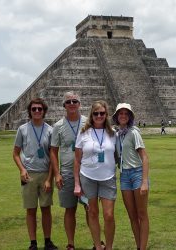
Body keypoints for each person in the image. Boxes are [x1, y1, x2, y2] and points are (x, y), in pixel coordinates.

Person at [50, 92, 103, 250]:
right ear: (64, 106)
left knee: (90, 209)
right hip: (66, 172)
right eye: (68, 102)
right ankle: (71, 243)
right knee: (69, 209)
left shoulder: (89, 122)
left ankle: (97, 242)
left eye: (75, 101)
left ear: (80, 104)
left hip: (86, 171)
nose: (71, 104)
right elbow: (53, 151)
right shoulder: (58, 126)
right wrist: (57, 174)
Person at [12, 98, 58, 250]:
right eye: (34, 109)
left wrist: (49, 178)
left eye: (39, 109)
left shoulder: (50, 130)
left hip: (45, 173)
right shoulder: (23, 129)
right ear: (30, 112)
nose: (37, 111)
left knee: (46, 209)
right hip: (28, 174)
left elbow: (53, 156)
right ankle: (33, 243)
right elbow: (16, 153)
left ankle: (47, 241)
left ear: (44, 111)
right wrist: (22, 169)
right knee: (30, 209)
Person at [74, 100, 117, 250]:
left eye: (102, 113)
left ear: (106, 115)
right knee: (92, 213)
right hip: (87, 177)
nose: (99, 116)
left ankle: (109, 247)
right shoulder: (83, 133)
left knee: (109, 215)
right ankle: (98, 246)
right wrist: (77, 184)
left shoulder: (113, 133)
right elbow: (77, 160)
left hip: (108, 178)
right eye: (96, 113)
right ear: (91, 115)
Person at [112, 103, 150, 250]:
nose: (123, 116)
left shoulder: (134, 133)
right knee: (132, 216)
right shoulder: (116, 135)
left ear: (129, 117)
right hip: (124, 175)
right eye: (120, 113)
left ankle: (142, 247)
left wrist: (145, 181)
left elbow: (145, 158)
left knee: (142, 214)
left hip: (137, 173)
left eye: (126, 114)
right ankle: (138, 246)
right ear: (116, 116)